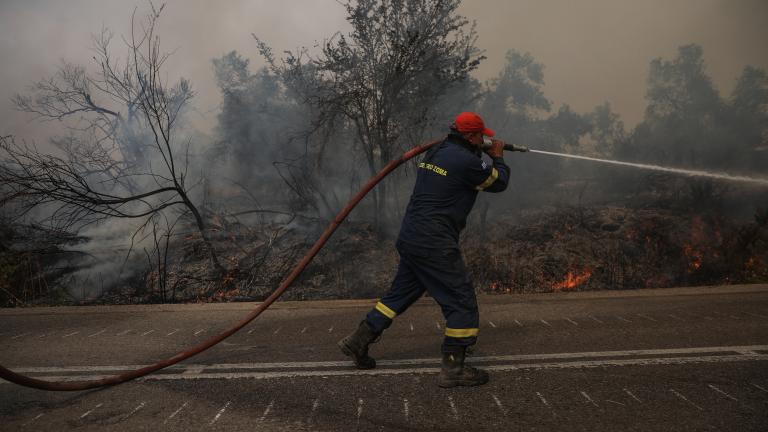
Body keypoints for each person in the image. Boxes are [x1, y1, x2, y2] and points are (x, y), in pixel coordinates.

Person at [338, 112, 510, 388]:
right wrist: (498, 155)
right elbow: (499, 182)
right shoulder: (466, 161)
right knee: (460, 300)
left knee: (398, 295)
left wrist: (481, 150)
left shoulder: (437, 151)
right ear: (470, 136)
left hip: (412, 236)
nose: (485, 139)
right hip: (435, 242)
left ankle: (358, 341)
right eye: (481, 136)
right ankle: (453, 369)